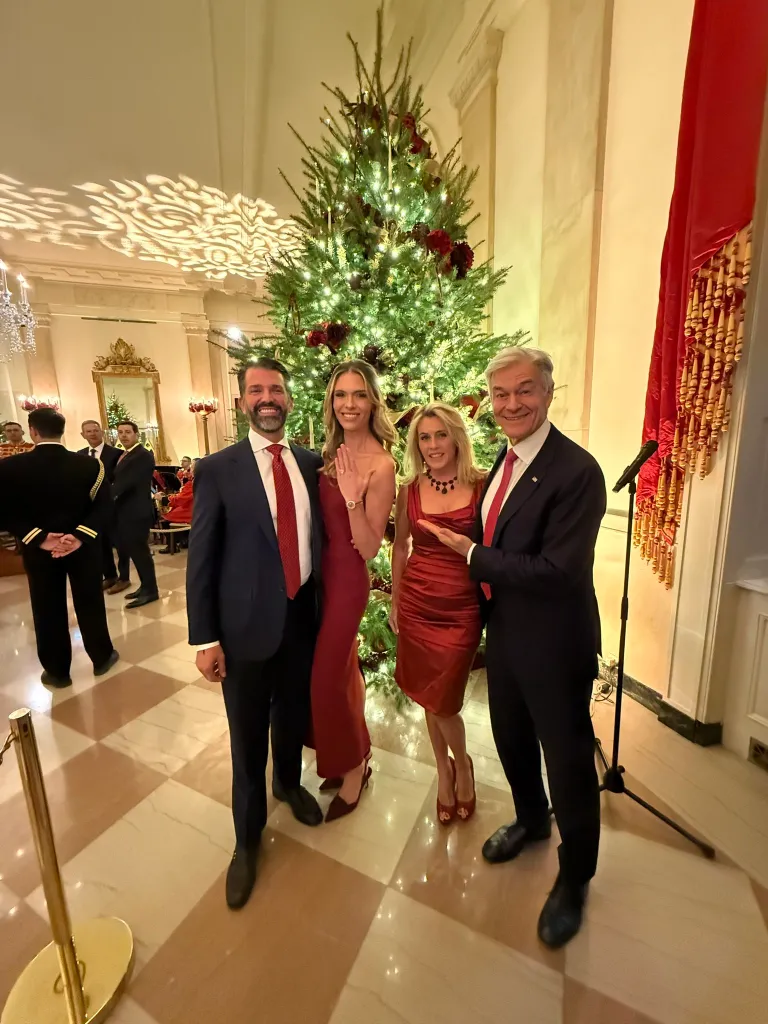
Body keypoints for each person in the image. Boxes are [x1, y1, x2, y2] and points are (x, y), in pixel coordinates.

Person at [421, 346, 606, 950]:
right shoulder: (504, 457)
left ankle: (575, 877)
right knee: (511, 736)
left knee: (569, 758)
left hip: (555, 640)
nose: (511, 404)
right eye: (500, 395)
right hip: (505, 631)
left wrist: (471, 556)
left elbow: (555, 570)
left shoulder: (577, 471)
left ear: (549, 393)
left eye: (524, 391)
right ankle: (531, 819)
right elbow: (498, 528)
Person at [187, 357, 324, 910]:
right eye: (256, 390)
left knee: (291, 713)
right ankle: (246, 843)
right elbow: (202, 556)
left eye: (277, 389)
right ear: (243, 401)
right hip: (242, 630)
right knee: (246, 737)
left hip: (300, 620)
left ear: (289, 399)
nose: (268, 398)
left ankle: (288, 784)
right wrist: (204, 639)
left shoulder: (313, 464)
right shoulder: (218, 468)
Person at [391, 402, 485, 824]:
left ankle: (461, 763)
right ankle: (444, 774)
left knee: (445, 699)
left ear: (456, 438)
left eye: (440, 435)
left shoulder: (482, 485)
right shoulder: (408, 489)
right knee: (429, 696)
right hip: (417, 603)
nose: (432, 445)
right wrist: (395, 599)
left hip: (462, 606)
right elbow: (399, 546)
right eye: (424, 438)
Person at [311, 359, 396, 821]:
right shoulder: (323, 454)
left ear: (372, 401)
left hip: (346, 580)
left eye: (358, 394)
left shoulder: (382, 465)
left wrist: (350, 496)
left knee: (326, 677)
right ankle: (347, 755)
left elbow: (366, 548)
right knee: (341, 674)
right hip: (314, 578)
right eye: (340, 395)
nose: (349, 404)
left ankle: (355, 764)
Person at [0, 409, 119, 687]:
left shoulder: (9, 467)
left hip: (38, 550)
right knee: (90, 601)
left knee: (46, 606)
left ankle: (57, 671)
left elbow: (4, 511)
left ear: (33, 431)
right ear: (63, 431)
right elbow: (104, 507)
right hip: (82, 548)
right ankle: (102, 657)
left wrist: (38, 536)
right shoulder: (90, 466)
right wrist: (78, 536)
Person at [108, 421, 159, 608]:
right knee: (135, 552)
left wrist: (105, 497)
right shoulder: (126, 454)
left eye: (128, 432)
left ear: (136, 434)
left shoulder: (143, 455)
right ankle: (145, 586)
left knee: (141, 553)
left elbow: (125, 483)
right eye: (120, 432)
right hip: (125, 511)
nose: (123, 435)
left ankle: (151, 591)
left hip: (136, 512)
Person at [78, 419, 122, 589]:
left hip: (113, 505)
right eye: (88, 431)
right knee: (99, 543)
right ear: (83, 435)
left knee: (118, 541)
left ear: (101, 432)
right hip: (91, 508)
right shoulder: (79, 455)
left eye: (96, 430)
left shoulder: (116, 453)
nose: (93, 433)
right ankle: (109, 575)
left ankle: (123, 576)